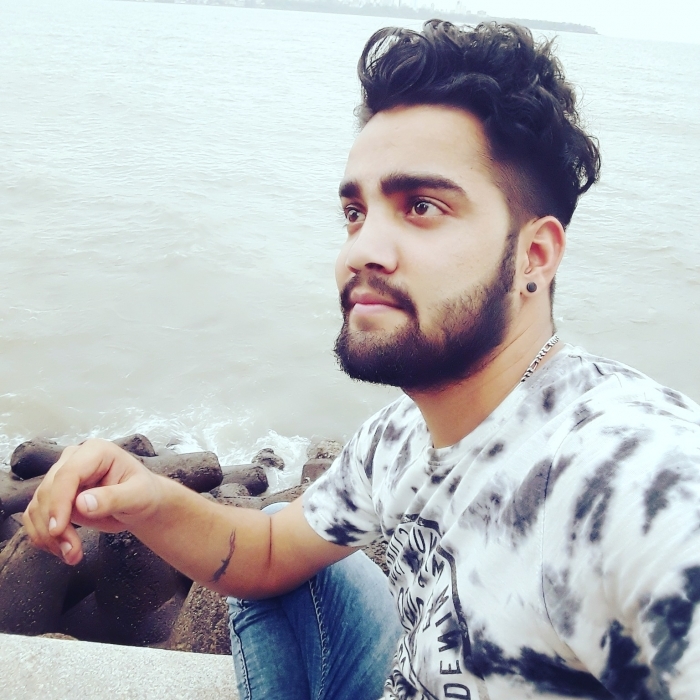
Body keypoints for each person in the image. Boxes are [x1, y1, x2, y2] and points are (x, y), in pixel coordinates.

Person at [23, 20, 700, 700]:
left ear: (534, 255)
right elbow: (266, 556)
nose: (361, 250)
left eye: (422, 206)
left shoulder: (630, 477)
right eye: (355, 212)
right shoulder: (397, 437)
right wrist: (146, 499)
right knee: (294, 548)